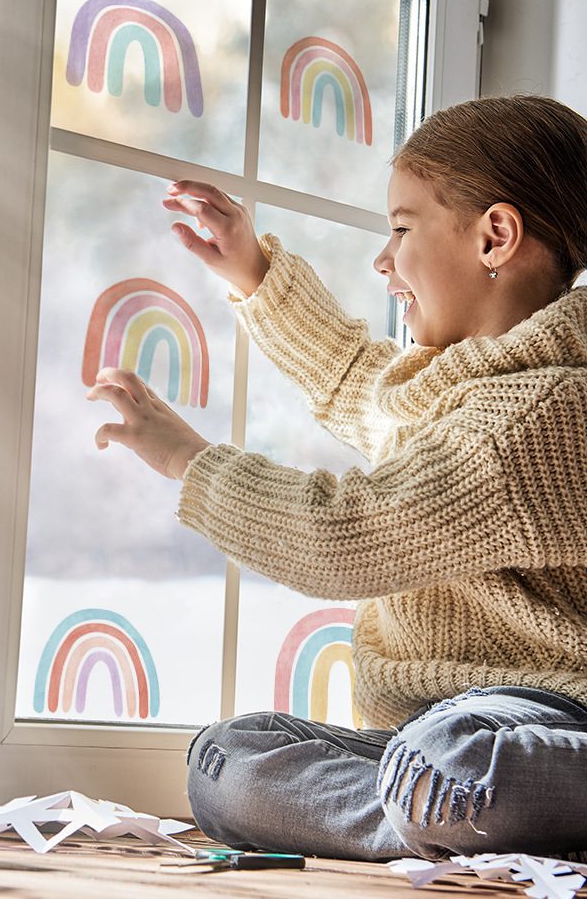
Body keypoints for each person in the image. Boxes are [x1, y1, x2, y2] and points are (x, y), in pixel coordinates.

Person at [86, 95, 587, 861]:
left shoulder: (544, 415)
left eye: (401, 228)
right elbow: (359, 383)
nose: (383, 261)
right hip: (415, 740)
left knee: (456, 760)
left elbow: (343, 533)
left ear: (496, 236)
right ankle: (433, 812)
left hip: (538, 722)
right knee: (226, 760)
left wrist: (189, 460)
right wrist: (254, 274)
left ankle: (444, 802)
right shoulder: (453, 393)